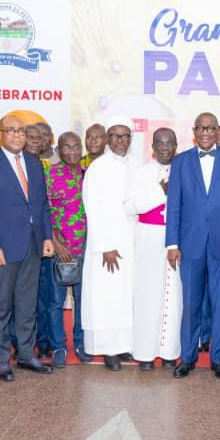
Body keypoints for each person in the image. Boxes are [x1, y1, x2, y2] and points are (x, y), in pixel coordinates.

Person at [0, 113, 55, 382]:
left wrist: (47, 238)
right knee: (2, 305)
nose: (18, 135)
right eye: (12, 131)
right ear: (0, 134)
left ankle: (27, 354)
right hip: (3, 248)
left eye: (21, 131)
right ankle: (0, 359)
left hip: (32, 245)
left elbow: (41, 206)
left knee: (27, 303)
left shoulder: (34, 163)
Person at [167, 111, 220, 379]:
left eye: (210, 128)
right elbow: (174, 205)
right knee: (190, 304)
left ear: (217, 131)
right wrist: (172, 243)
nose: (204, 133)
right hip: (189, 244)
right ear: (194, 131)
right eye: (200, 128)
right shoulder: (180, 162)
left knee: (219, 303)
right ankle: (188, 357)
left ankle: (217, 359)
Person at [82, 119, 137, 369]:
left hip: (130, 243)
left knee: (125, 297)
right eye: (114, 136)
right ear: (107, 139)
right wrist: (105, 246)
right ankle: (107, 351)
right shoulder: (98, 168)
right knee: (106, 299)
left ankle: (123, 346)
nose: (120, 140)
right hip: (107, 247)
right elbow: (92, 209)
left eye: (125, 136)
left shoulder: (134, 165)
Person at [127, 128, 183, 369]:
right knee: (148, 296)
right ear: (152, 146)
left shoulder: (184, 171)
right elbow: (131, 206)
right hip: (149, 237)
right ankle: (145, 354)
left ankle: (170, 353)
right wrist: (160, 192)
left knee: (174, 296)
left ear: (176, 145)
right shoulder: (142, 172)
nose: (164, 147)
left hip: (178, 240)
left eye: (169, 142)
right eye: (160, 143)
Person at [46, 132, 91, 365]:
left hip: (87, 250)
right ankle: (58, 347)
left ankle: (82, 344)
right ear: (59, 149)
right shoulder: (51, 175)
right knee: (55, 301)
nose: (72, 152)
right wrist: (56, 242)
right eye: (66, 147)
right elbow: (43, 213)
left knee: (83, 301)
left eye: (76, 147)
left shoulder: (89, 175)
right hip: (61, 250)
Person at [25, 123, 56, 360]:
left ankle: (43, 342)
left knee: (45, 295)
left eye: (44, 135)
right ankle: (22, 344)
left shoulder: (58, 162)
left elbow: (47, 207)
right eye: (33, 136)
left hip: (46, 241)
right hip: (23, 241)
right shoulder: (20, 163)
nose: (39, 139)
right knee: (24, 298)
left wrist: (51, 237)